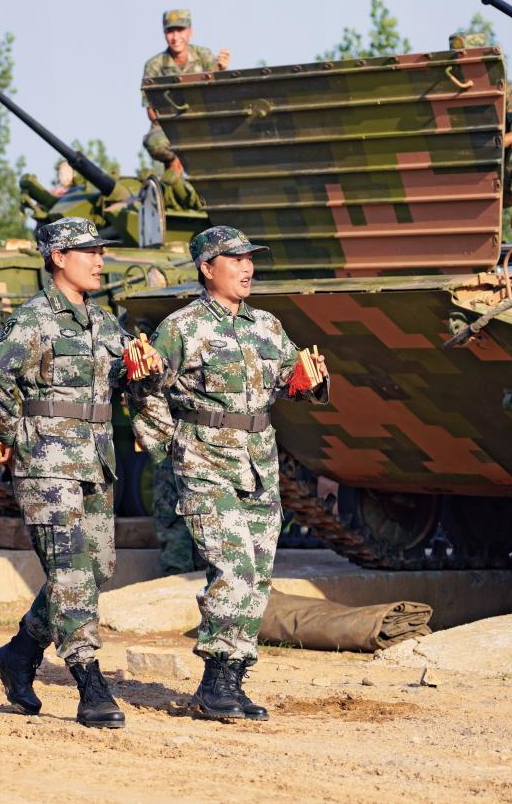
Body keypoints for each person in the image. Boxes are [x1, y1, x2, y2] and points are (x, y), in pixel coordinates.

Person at [132, 225, 329, 721]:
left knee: (258, 574)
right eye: (235, 259)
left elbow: (291, 380)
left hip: (259, 463)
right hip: (205, 463)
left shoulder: (266, 325)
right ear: (206, 268)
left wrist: (309, 381)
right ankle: (215, 679)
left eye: (249, 259)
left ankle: (235, 678)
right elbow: (145, 387)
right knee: (234, 568)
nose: (247, 268)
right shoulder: (181, 327)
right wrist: (166, 445)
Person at [0, 216, 161, 729]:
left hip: (96, 461)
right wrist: (26, 440)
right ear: (58, 258)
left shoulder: (103, 321)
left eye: (101, 251)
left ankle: (19, 654)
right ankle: (89, 681)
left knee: (95, 569)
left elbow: (127, 381)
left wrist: (145, 372)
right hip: (48, 467)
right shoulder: (33, 320)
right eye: (89, 252)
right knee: (72, 573)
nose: (100, 261)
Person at [449, 32, 512, 244]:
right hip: (455, 174)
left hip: (497, 173)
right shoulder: (441, 92)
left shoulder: (505, 89)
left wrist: (487, 147)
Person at [141, 10, 230, 173]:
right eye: (170, 31)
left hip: (203, 122)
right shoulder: (154, 65)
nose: (175, 37)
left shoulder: (204, 56)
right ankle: (175, 164)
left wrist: (221, 70)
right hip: (168, 126)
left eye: (180, 30)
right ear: (164, 34)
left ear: (190, 32)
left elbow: (219, 94)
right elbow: (151, 111)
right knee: (157, 143)